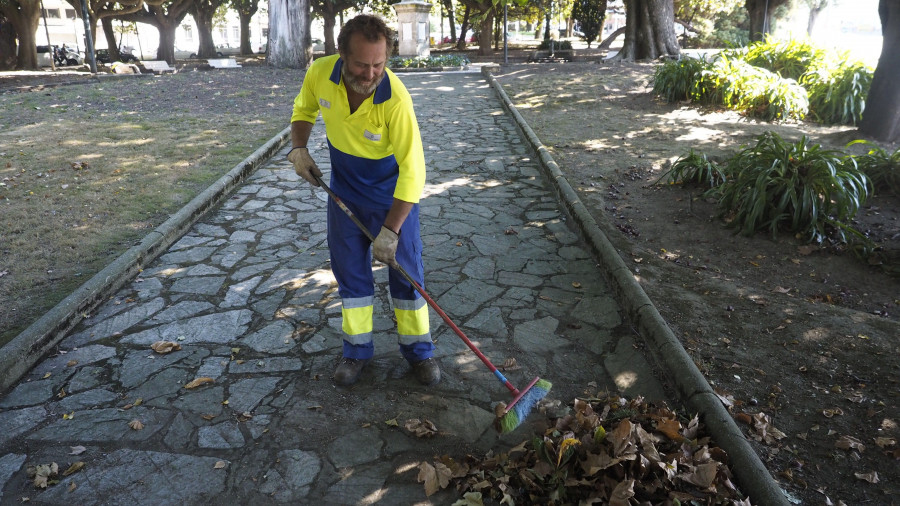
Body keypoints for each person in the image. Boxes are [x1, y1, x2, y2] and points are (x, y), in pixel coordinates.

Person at [288, 14, 440, 387]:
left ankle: (419, 353)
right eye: (361, 64)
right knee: (351, 275)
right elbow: (304, 110)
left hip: (393, 200)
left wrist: (391, 230)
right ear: (341, 55)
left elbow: (414, 172)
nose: (371, 73)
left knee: (407, 278)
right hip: (344, 193)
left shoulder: (396, 100)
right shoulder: (320, 73)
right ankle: (356, 352)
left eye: (379, 63)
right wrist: (299, 148)